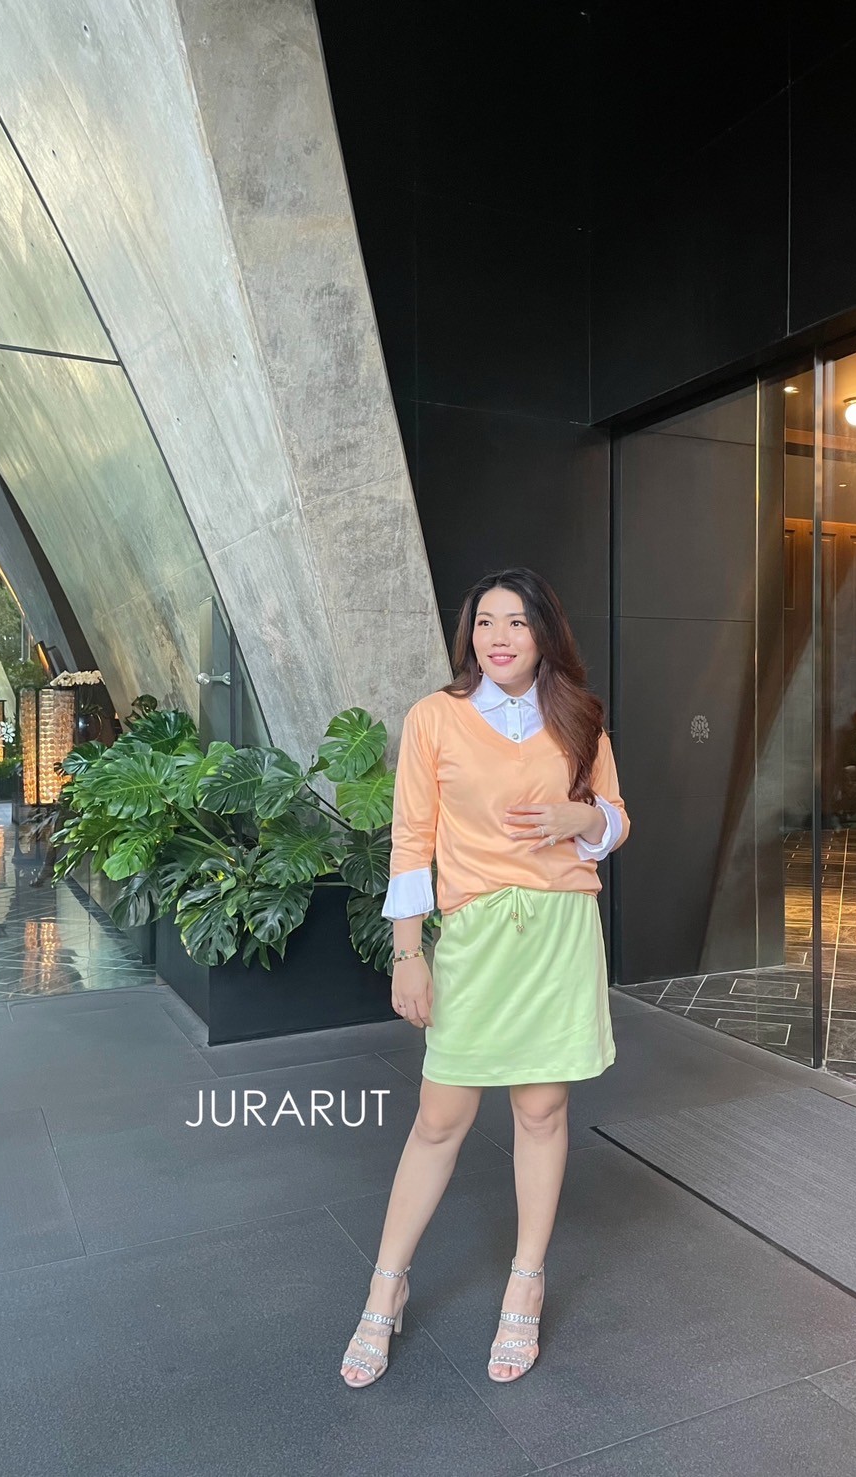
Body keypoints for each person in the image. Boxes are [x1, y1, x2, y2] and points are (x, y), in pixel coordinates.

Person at [339, 566, 630, 1388]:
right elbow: (411, 841)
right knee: (440, 1117)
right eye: (485, 622)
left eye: (517, 622)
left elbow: (615, 818)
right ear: (469, 634)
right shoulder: (435, 718)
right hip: (474, 936)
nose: (499, 637)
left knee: (541, 1109)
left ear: (544, 634)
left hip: (559, 933)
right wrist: (408, 953)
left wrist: (583, 817)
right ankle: (385, 1287)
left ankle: (525, 1283)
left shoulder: (579, 717)